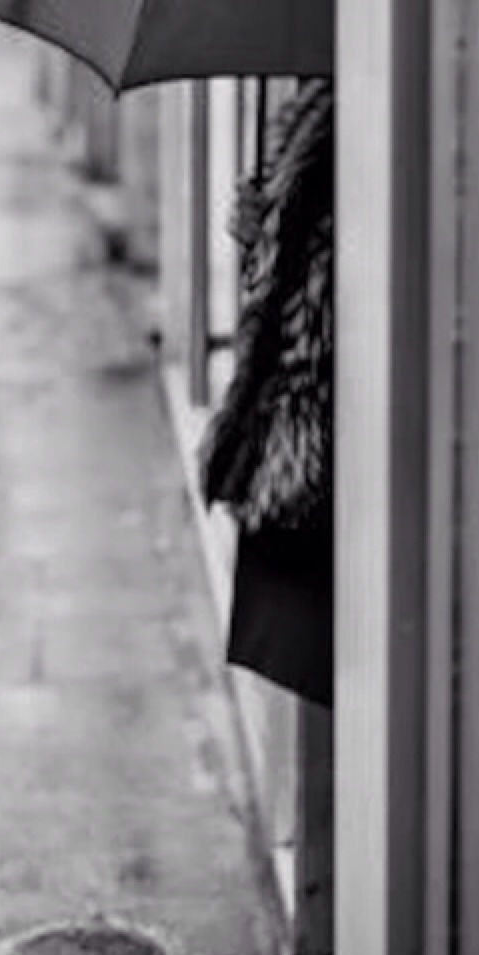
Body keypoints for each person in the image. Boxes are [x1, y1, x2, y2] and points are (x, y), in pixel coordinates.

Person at [198, 80, 335, 707]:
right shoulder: (315, 111)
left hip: (337, 419)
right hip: (313, 417)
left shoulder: (366, 110)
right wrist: (261, 232)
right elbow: (296, 277)